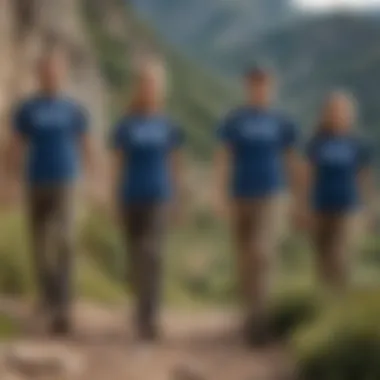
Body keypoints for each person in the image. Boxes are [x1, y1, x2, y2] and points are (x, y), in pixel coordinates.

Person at [6, 47, 99, 335]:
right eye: (46, 70)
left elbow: (86, 144)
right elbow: (15, 145)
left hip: (66, 181)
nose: (51, 75)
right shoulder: (28, 109)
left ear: (63, 74)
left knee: (64, 240)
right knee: (40, 243)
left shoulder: (73, 109)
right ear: (39, 74)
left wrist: (96, 178)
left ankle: (64, 304)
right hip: (36, 181)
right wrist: (7, 179)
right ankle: (47, 298)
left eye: (56, 70)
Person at [213, 64, 302, 346]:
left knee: (262, 255)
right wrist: (220, 194)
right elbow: (224, 158)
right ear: (247, 87)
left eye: (265, 84)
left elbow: (291, 160)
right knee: (244, 259)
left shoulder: (281, 122)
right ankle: (249, 317)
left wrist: (299, 197)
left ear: (272, 87)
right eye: (255, 84)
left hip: (271, 195)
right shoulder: (235, 120)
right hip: (241, 194)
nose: (260, 89)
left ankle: (261, 325)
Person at [109, 55, 185, 341]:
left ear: (161, 88)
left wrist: (177, 198)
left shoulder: (168, 126)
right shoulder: (125, 125)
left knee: (153, 255)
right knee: (135, 258)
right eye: (144, 83)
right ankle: (140, 309)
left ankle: (151, 317)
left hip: (159, 196)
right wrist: (114, 198)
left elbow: (175, 164)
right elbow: (116, 163)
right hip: (131, 196)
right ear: (137, 87)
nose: (149, 88)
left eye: (154, 83)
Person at [302, 91, 375, 292]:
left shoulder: (356, 145)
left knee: (341, 257)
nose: (338, 115)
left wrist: (369, 208)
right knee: (323, 258)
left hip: (348, 208)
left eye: (342, 111)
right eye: (334, 111)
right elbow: (308, 176)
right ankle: (326, 303)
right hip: (321, 207)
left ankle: (340, 299)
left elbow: (364, 178)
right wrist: (303, 206)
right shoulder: (317, 143)